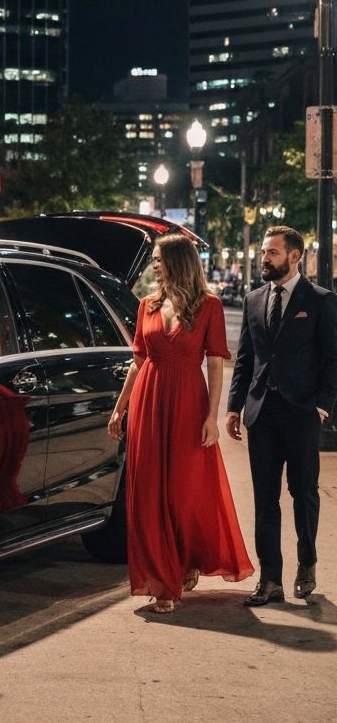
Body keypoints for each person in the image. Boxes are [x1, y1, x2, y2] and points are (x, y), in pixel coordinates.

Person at [108, 234, 253, 613]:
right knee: (148, 492)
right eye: (154, 260)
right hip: (149, 402)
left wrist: (212, 417)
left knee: (183, 492)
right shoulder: (147, 305)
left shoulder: (210, 305)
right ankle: (163, 583)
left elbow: (216, 364)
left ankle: (188, 558)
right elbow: (138, 362)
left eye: (159, 259)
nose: (155, 265)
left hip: (189, 402)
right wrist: (120, 408)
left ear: (178, 261)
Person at [225, 225, 337, 605]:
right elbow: (246, 359)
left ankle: (307, 563)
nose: (264, 259)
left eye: (272, 253)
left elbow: (332, 360)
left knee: (303, 493)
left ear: (294, 256)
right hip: (262, 414)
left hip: (303, 413)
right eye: (263, 252)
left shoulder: (320, 300)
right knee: (265, 498)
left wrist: (322, 405)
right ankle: (270, 579)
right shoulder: (254, 299)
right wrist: (234, 407)